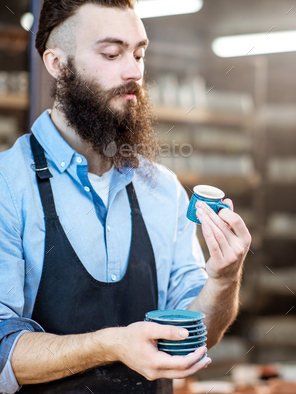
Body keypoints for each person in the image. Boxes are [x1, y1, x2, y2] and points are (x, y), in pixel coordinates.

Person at [0, 0, 251, 393]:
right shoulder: (8, 185)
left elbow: (199, 332)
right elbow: (2, 350)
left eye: (139, 53)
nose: (134, 72)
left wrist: (223, 279)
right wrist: (111, 344)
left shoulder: (162, 189)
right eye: (112, 53)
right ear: (57, 64)